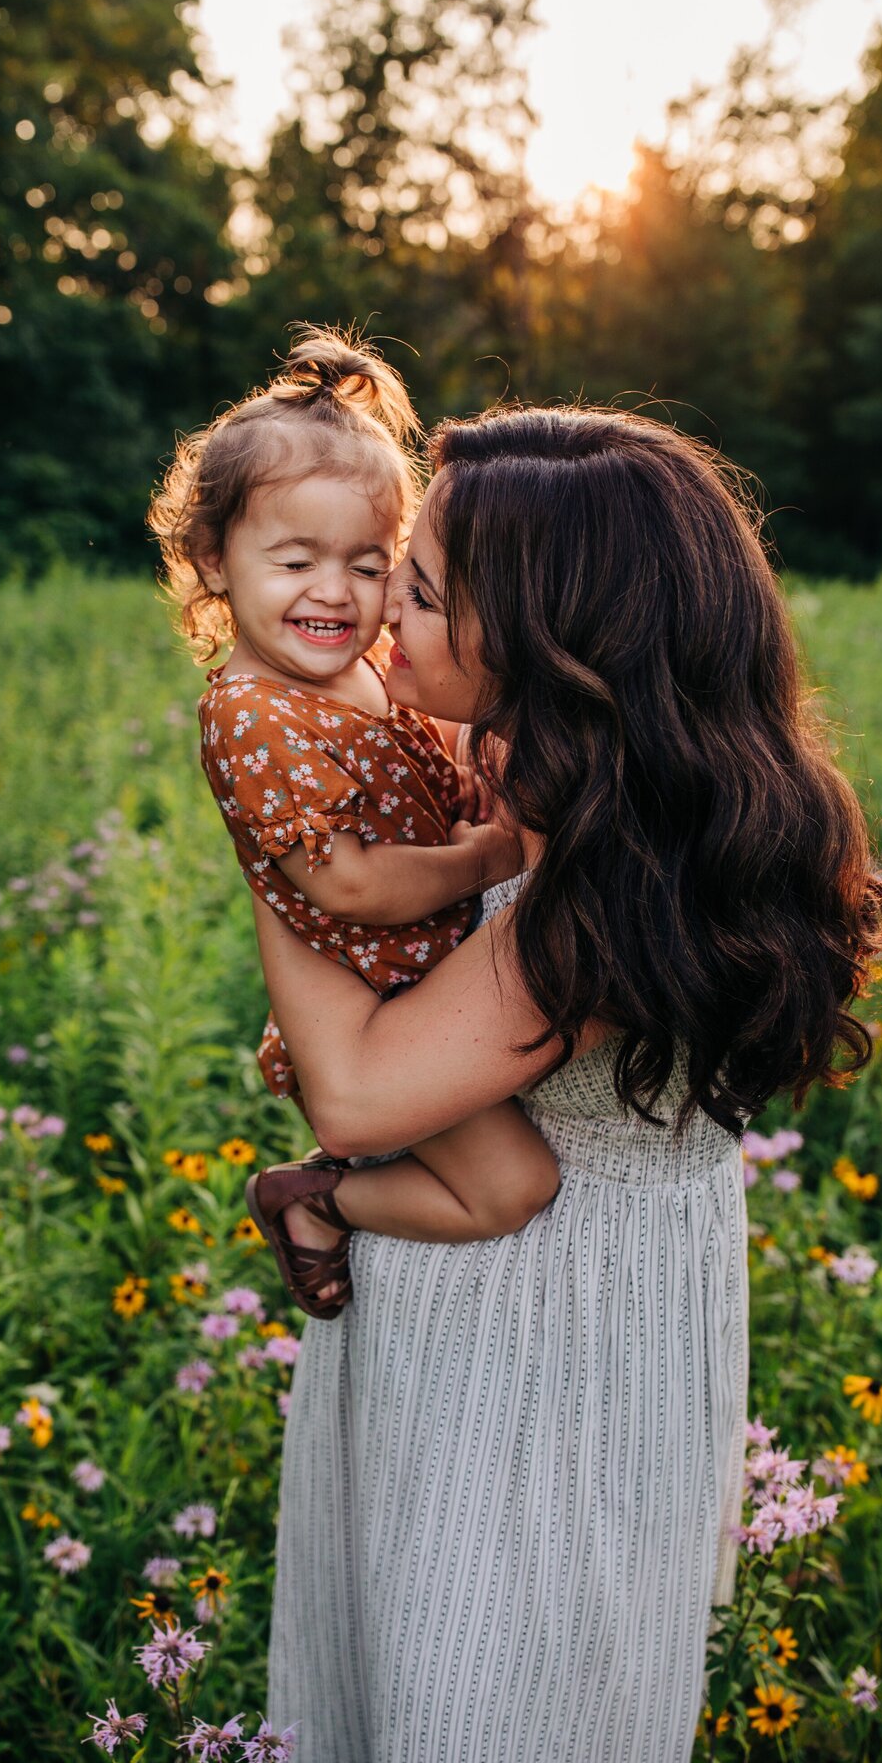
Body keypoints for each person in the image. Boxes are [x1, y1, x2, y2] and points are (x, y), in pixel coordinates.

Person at [249, 405, 882, 1763]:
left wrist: (275, 860)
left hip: (545, 1347)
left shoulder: (602, 894)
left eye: (420, 590)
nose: (383, 616)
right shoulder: (585, 795)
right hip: (498, 1292)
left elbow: (357, 1099)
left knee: (497, 1715)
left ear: (547, 637)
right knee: (426, 1695)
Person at [148, 329, 558, 1320]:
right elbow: (350, 883)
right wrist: (488, 853)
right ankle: (315, 1201)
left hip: (432, 965)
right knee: (512, 1186)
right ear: (212, 559)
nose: (335, 593)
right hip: (386, 988)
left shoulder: (356, 669)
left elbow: (427, 764)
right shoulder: (252, 709)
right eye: (295, 561)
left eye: (371, 566)